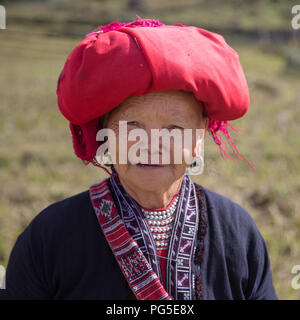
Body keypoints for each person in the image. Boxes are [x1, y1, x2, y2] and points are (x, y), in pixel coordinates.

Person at [0, 18, 277, 300]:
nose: (152, 145)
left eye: (174, 129)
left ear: (199, 137)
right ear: (106, 132)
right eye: (132, 125)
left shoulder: (237, 233)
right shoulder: (50, 237)